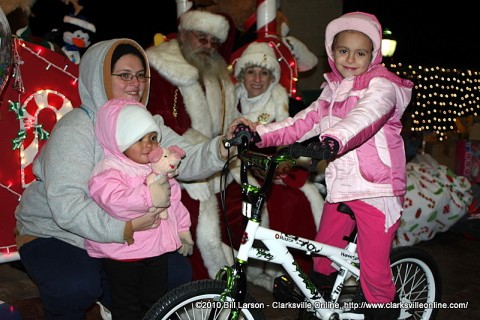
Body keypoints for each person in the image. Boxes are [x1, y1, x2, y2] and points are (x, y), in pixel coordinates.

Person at [14, 38, 251, 320]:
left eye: (140, 75)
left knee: (174, 273)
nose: (135, 83)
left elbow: (182, 155)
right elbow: (67, 205)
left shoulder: (146, 122)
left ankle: (119, 304)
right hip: (57, 233)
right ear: (99, 78)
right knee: (76, 285)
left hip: (124, 233)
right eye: (124, 75)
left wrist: (224, 144)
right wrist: (123, 228)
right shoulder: (77, 127)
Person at [249, 12, 414, 319]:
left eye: (360, 52)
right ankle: (321, 309)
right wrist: (257, 135)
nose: (350, 58)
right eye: (343, 50)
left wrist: (332, 140)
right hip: (341, 188)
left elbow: (364, 118)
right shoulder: (331, 91)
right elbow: (301, 122)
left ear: (374, 55)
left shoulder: (382, 87)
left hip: (377, 190)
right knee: (321, 259)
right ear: (331, 53)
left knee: (374, 275)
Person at [146, 10, 239, 280]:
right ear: (185, 35)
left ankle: (237, 278)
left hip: (221, 162)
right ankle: (203, 289)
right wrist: (204, 149)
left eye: (214, 42)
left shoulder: (220, 75)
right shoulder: (160, 65)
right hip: (177, 166)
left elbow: (230, 118)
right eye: (202, 38)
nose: (209, 47)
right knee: (198, 219)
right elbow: (159, 122)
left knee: (247, 205)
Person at [84, 98, 193, 319]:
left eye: (153, 138)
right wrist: (148, 195)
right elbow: (114, 202)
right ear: (119, 142)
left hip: (156, 250)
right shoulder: (109, 170)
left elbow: (173, 201)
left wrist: (183, 229)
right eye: (138, 139)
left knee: (157, 302)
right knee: (126, 307)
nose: (149, 145)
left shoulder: (156, 168)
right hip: (124, 254)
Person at [231, 41, 324, 288]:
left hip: (281, 169)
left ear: (272, 76)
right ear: (242, 74)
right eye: (252, 71)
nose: (258, 79)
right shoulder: (230, 104)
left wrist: (286, 165)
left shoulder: (284, 103)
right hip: (242, 173)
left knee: (297, 201)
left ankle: (297, 270)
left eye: (264, 72)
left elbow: (299, 141)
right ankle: (254, 267)